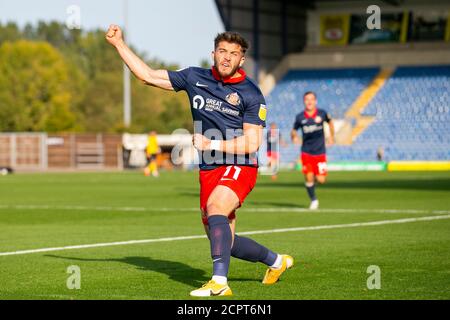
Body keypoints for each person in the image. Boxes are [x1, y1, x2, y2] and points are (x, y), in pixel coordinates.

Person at [106, 26, 293, 297]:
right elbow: (147, 76)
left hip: (240, 164)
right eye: (222, 51)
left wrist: (212, 144)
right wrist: (118, 44)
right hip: (209, 169)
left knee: (217, 206)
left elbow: (253, 143)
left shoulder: (252, 93)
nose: (226, 57)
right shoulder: (194, 77)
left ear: (242, 60)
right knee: (224, 242)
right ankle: (277, 261)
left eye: (234, 53)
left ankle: (219, 282)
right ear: (213, 54)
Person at [291, 91, 335, 210]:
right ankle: (314, 200)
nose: (309, 101)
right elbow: (294, 130)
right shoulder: (300, 117)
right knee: (309, 177)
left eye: (311, 99)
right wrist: (294, 137)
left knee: (321, 180)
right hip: (306, 152)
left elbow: (331, 123)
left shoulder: (322, 113)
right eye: (307, 99)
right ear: (304, 101)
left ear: (315, 101)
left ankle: (314, 179)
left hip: (320, 152)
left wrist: (331, 136)